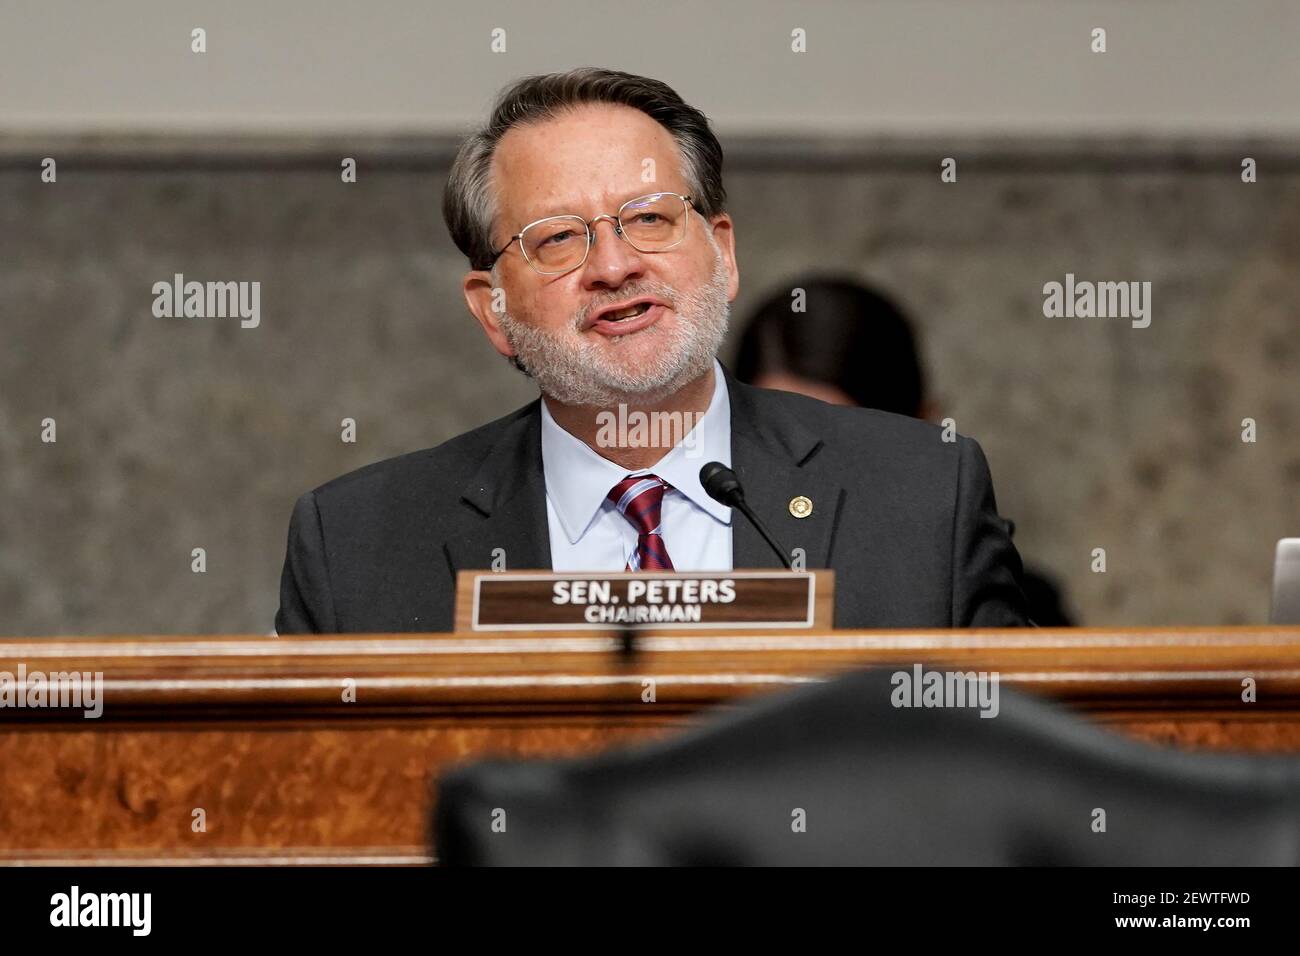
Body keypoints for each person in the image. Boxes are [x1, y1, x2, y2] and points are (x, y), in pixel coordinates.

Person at [274, 67, 1028, 634]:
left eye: (649, 219)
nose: (613, 266)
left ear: (722, 253)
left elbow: (1018, 787)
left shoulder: (922, 496)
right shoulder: (358, 547)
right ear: (493, 309)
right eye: (559, 238)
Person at [735, 276, 1075, 625]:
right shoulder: (705, 576)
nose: (807, 472)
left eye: (834, 443)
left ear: (923, 426)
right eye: (783, 439)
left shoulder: (1005, 608)